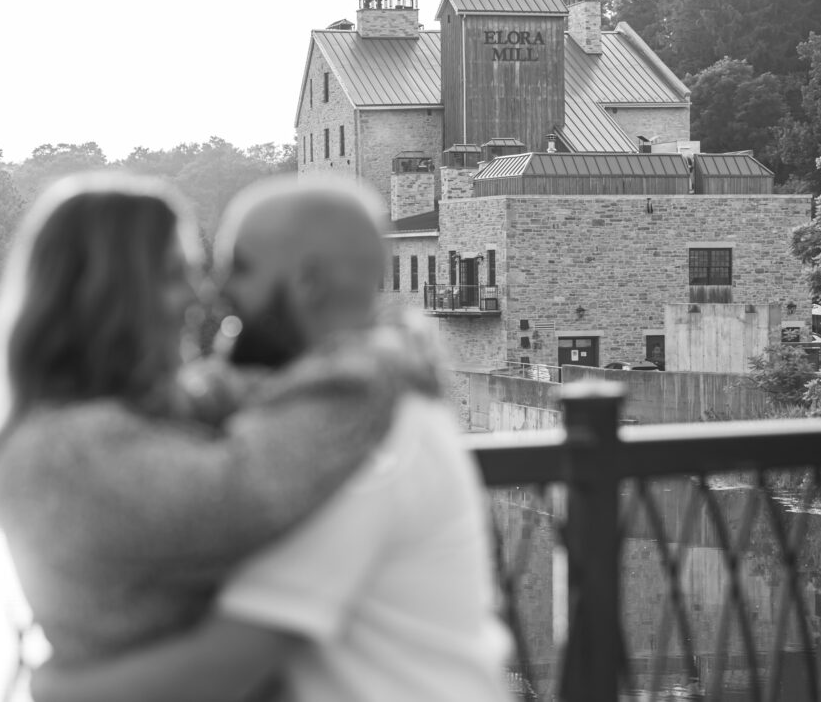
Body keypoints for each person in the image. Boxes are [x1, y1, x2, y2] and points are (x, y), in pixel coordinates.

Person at [31, 175, 512, 702]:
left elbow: (227, 665)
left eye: (239, 268)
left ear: (306, 283)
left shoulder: (358, 437)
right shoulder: (339, 404)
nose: (215, 292)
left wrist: (59, 687)